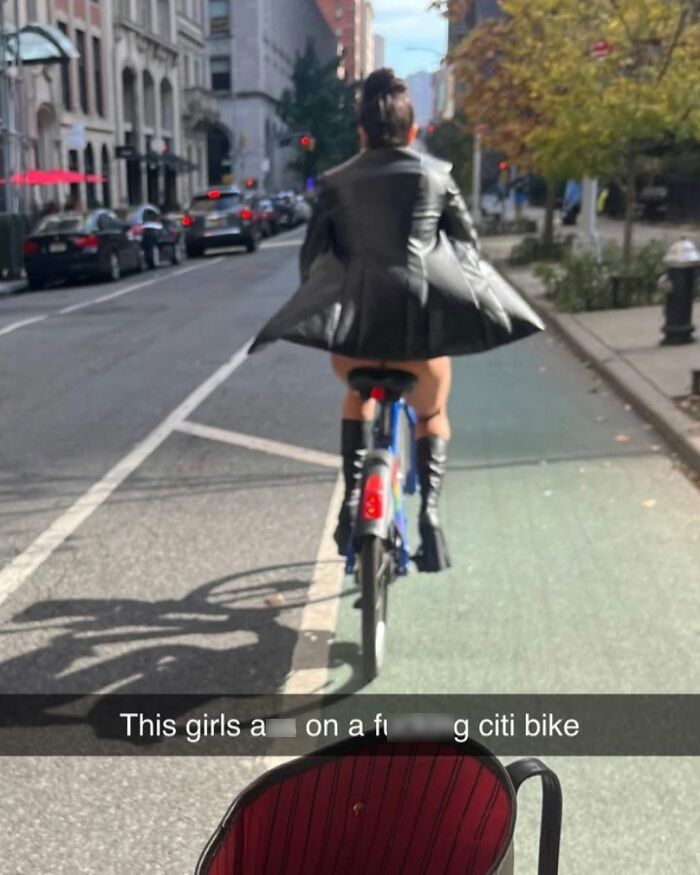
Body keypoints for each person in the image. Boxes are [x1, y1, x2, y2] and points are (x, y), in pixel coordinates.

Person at [250, 69, 544, 572]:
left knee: (357, 396)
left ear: (361, 134)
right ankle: (430, 517)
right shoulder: (437, 175)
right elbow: (468, 251)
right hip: (420, 338)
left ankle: (352, 500)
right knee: (431, 414)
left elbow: (312, 260)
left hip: (355, 341)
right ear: (412, 132)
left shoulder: (336, 183)